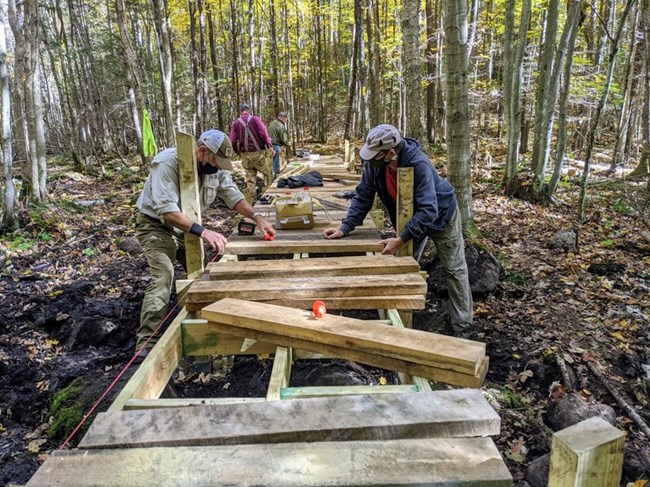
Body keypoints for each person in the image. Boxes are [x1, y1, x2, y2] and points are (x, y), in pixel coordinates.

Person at [135, 129, 275, 357]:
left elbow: (233, 196)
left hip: (187, 227)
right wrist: (204, 232)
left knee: (201, 271)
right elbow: (167, 211)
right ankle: (146, 343)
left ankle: (200, 316)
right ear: (202, 151)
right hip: (157, 226)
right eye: (215, 161)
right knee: (163, 275)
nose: (218, 167)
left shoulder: (214, 169)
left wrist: (257, 217)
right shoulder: (167, 163)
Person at [322, 124, 473, 336]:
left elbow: (429, 210)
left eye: (375, 156)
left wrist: (401, 238)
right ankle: (407, 308)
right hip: (410, 218)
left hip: (442, 217)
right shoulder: (375, 165)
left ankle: (462, 326)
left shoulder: (419, 164)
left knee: (454, 270)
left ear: (392, 153)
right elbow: (363, 196)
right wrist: (345, 227)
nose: (370, 160)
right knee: (405, 261)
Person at [229, 103, 274, 202]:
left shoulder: (236, 123)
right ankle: (266, 197)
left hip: (245, 155)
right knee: (268, 174)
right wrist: (269, 145)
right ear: (249, 110)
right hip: (259, 154)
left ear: (241, 112)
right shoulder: (256, 119)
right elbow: (264, 133)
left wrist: (237, 151)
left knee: (250, 179)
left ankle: (252, 200)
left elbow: (232, 140)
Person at [268, 111, 289, 179]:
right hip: (276, 146)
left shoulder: (272, 123)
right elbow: (283, 139)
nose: (286, 120)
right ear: (283, 118)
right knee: (276, 164)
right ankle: (276, 179)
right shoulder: (280, 125)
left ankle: (271, 178)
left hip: (269, 146)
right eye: (286, 119)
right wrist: (288, 144)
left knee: (271, 163)